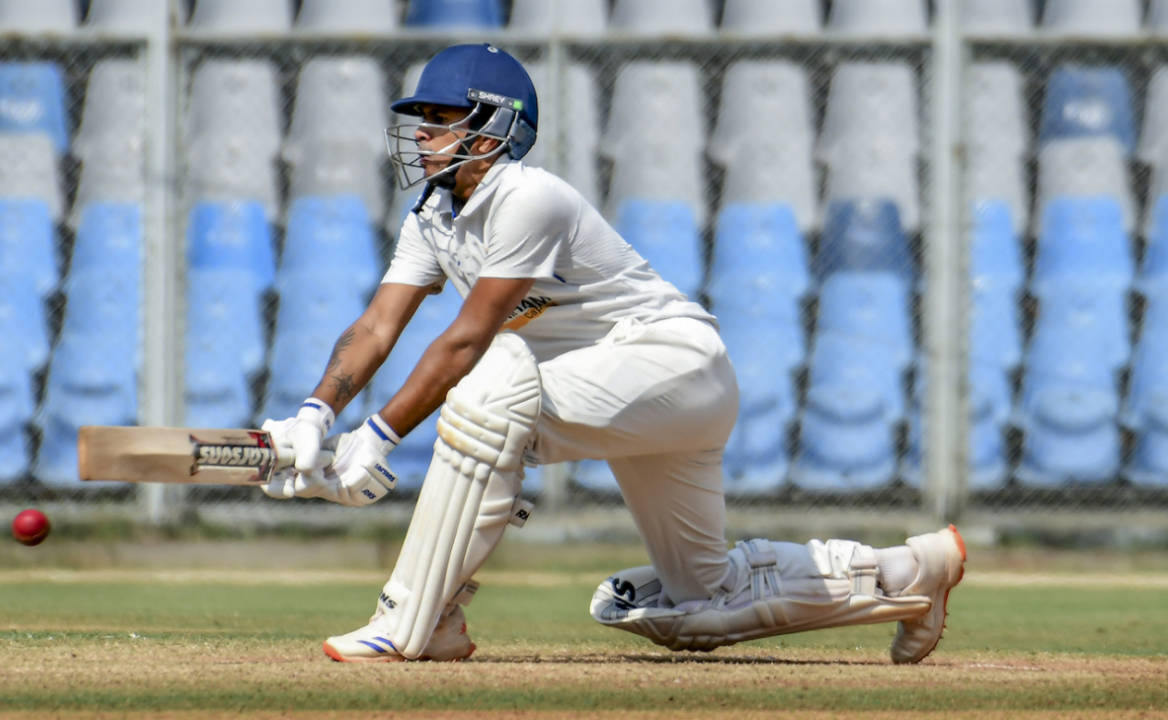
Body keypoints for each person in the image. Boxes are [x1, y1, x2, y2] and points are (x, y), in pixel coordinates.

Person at [260, 43, 966, 664]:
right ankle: (914, 572)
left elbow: (467, 338)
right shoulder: (434, 217)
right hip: (622, 391)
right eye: (423, 120)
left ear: (494, 125)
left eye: (441, 120)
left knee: (493, 387)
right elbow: (377, 326)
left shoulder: (527, 196)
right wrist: (317, 414)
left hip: (673, 365)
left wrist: (378, 439)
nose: (423, 134)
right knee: (699, 604)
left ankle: (416, 619)